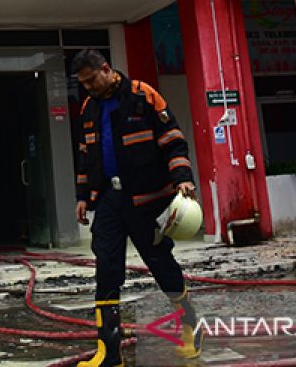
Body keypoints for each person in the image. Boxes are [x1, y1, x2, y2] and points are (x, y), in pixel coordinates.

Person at [71, 49, 203, 366]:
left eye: (91, 80)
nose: (87, 88)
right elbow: (86, 154)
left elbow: (173, 139)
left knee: (161, 264)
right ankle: (109, 353)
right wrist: (82, 195)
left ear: (106, 69)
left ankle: (191, 328)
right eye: (83, 83)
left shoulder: (143, 96)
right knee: (106, 269)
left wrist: (182, 178)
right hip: (109, 201)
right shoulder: (89, 107)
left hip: (148, 201)